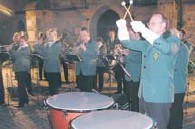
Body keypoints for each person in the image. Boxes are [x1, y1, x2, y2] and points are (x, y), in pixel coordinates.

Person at [116, 12, 180, 129]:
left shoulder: (172, 40)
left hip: (159, 96)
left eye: (152, 23)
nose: (149, 26)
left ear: (163, 26)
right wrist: (122, 28)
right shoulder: (147, 44)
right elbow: (126, 42)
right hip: (144, 94)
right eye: (148, 23)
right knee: (144, 125)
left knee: (158, 126)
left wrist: (143, 30)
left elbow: (165, 48)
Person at [167, 28, 191, 129]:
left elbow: (175, 66)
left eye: (171, 35)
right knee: (170, 113)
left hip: (178, 86)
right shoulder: (173, 47)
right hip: (170, 86)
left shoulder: (182, 48)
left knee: (176, 113)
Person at [10, 33, 32, 107]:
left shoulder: (26, 48)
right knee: (21, 86)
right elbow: (13, 56)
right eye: (20, 42)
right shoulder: (20, 48)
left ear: (26, 41)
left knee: (21, 87)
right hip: (18, 69)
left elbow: (17, 54)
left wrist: (10, 49)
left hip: (23, 70)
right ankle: (26, 100)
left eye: (22, 41)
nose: (21, 43)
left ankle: (21, 103)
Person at [123, 29, 142, 112]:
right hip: (128, 73)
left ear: (137, 34)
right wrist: (122, 58)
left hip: (136, 75)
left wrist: (128, 55)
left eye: (131, 34)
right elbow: (128, 59)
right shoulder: (131, 44)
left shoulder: (141, 44)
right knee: (129, 96)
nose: (129, 36)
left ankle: (135, 114)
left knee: (135, 98)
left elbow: (140, 59)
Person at [75, 27, 98, 92]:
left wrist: (85, 49)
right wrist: (75, 51)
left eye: (84, 35)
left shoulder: (94, 43)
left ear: (88, 34)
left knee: (88, 91)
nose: (82, 37)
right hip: (79, 70)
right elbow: (76, 55)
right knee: (81, 91)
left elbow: (95, 55)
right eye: (81, 35)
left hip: (88, 70)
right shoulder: (79, 43)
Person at [106, 29, 124, 94]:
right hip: (111, 58)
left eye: (112, 34)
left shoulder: (118, 41)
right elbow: (108, 49)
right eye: (109, 34)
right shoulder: (108, 41)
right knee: (116, 74)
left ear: (114, 34)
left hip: (118, 59)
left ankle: (121, 90)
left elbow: (119, 49)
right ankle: (118, 89)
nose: (110, 35)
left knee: (119, 75)